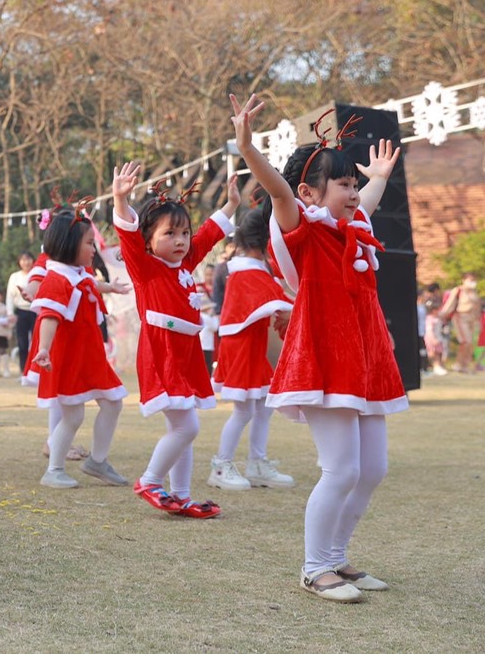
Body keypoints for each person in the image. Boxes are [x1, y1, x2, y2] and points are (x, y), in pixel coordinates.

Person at [232, 93, 407, 603]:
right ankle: (315, 568)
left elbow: (366, 203)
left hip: (367, 360)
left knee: (373, 469)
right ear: (310, 191)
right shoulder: (303, 229)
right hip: (325, 361)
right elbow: (280, 192)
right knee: (343, 469)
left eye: (354, 184)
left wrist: (376, 178)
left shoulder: (354, 226)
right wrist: (248, 149)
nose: (353, 193)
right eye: (343, 184)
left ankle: (337, 558)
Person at [111, 162, 239, 520]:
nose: (181, 241)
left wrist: (231, 204)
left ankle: (180, 495)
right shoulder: (145, 268)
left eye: (184, 233)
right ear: (148, 240)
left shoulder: (185, 263)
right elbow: (127, 235)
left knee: (183, 427)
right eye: (170, 234)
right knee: (187, 427)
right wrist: (120, 199)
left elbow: (210, 234)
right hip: (161, 353)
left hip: (187, 353)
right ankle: (150, 481)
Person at [30, 208, 131, 489]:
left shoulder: (77, 274)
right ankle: (54, 470)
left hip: (91, 356)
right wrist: (44, 349)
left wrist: (112, 287)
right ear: (69, 245)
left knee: (113, 402)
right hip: (69, 359)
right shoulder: (56, 279)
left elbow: (91, 283)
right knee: (73, 415)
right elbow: (49, 317)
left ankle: (97, 461)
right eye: (89, 243)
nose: (94, 248)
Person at [207, 209, 296, 491]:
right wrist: (298, 308)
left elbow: (276, 298)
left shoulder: (246, 270)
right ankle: (221, 466)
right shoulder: (247, 272)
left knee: (263, 406)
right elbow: (276, 300)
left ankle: (256, 463)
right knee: (245, 410)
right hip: (242, 348)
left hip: (249, 346)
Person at [440, 273, 482, 373]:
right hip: (461, 317)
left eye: (473, 280)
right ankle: (459, 364)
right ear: (464, 280)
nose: (472, 282)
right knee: (465, 341)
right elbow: (450, 303)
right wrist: (442, 314)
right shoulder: (458, 290)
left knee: (470, 343)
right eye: (470, 280)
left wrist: (478, 321)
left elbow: (477, 307)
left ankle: (464, 365)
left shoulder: (474, 292)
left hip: (472, 319)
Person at [6, 251, 37, 375]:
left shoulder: (37, 274)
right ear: (19, 262)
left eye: (28, 259)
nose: (26, 262)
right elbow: (9, 296)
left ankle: (36, 371)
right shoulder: (15, 276)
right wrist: (10, 313)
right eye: (23, 260)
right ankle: (23, 370)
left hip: (35, 310)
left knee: (37, 342)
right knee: (22, 343)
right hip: (21, 311)